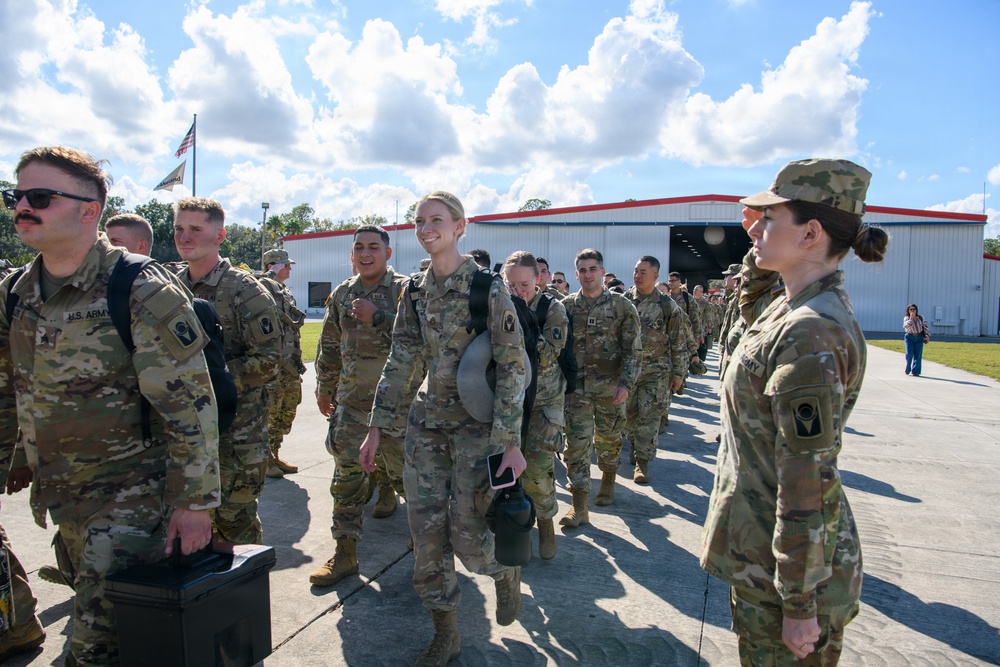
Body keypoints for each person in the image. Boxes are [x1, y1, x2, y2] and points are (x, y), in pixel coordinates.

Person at [0, 146, 220, 664]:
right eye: (16, 196)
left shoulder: (137, 288)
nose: (22, 207)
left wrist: (195, 504)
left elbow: (190, 405)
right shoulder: (16, 292)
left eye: (40, 196)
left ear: (88, 210)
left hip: (131, 500)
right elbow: (8, 389)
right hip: (64, 495)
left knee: (92, 647)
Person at [701, 158, 889, 666]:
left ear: (810, 233)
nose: (755, 228)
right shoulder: (790, 305)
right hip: (763, 558)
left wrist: (799, 602)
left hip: (787, 579)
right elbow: (750, 303)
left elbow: (807, 476)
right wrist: (755, 241)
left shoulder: (810, 331)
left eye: (769, 220)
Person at [359, 192, 527, 665]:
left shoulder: (488, 289)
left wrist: (509, 442)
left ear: (459, 226)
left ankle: (503, 572)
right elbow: (401, 361)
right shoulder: (413, 291)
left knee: (471, 537)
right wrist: (377, 428)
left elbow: (514, 365)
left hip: (478, 428)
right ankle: (446, 632)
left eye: (437, 220)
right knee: (427, 534)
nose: (426, 227)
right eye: (420, 221)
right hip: (427, 426)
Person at [171, 196, 282, 545]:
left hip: (236, 434)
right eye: (178, 228)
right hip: (181, 432)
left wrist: (210, 379)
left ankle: (244, 596)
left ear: (220, 236)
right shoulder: (166, 288)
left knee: (235, 528)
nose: (184, 237)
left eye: (195, 229)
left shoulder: (244, 290)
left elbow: (270, 358)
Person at [311, 225, 410, 586]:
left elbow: (422, 340)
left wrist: (378, 316)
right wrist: (325, 386)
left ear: (388, 253)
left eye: (373, 247)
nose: (365, 254)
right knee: (347, 479)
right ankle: (345, 553)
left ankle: (428, 551)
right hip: (352, 405)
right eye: (359, 248)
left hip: (397, 407)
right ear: (351, 255)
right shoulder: (342, 293)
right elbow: (330, 344)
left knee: (411, 482)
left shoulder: (404, 291)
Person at [560, 248, 641, 523]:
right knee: (576, 446)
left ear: (602, 272)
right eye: (582, 270)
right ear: (576, 274)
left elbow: (633, 350)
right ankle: (579, 506)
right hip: (577, 391)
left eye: (592, 269)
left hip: (610, 389)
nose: (587, 274)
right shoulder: (566, 306)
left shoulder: (622, 306)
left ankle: (607, 479)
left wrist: (627, 384)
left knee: (609, 439)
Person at [502, 251, 568, 559]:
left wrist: (523, 323)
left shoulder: (551, 309)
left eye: (524, 284)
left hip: (543, 402)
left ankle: (545, 522)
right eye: (510, 284)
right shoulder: (497, 306)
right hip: (507, 404)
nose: (518, 291)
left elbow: (546, 355)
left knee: (538, 472)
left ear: (538, 279)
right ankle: (515, 527)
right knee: (504, 474)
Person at [624, 256, 686, 483]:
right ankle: (634, 443)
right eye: (635, 271)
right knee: (629, 417)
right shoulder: (623, 301)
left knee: (649, 417)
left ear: (655, 276)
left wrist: (678, 374)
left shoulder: (667, 306)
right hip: (628, 372)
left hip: (656, 372)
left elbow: (678, 342)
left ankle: (643, 462)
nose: (637, 276)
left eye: (643, 272)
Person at [259, 248, 307, 478]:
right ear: (273, 266)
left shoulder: (283, 290)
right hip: (274, 367)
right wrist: (269, 273)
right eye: (285, 265)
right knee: (270, 414)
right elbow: (256, 286)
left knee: (286, 412)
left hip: (289, 365)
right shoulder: (261, 285)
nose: (289, 268)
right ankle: (265, 460)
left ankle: (274, 454)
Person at [903, 304, 929, 376]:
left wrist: (926, 336)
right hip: (909, 337)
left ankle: (916, 371)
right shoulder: (906, 318)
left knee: (918, 355)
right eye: (911, 309)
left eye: (914, 309)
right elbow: (906, 326)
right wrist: (911, 318)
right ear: (908, 310)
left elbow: (925, 327)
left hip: (919, 337)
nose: (912, 311)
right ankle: (908, 369)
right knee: (909, 354)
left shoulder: (920, 318)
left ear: (916, 310)